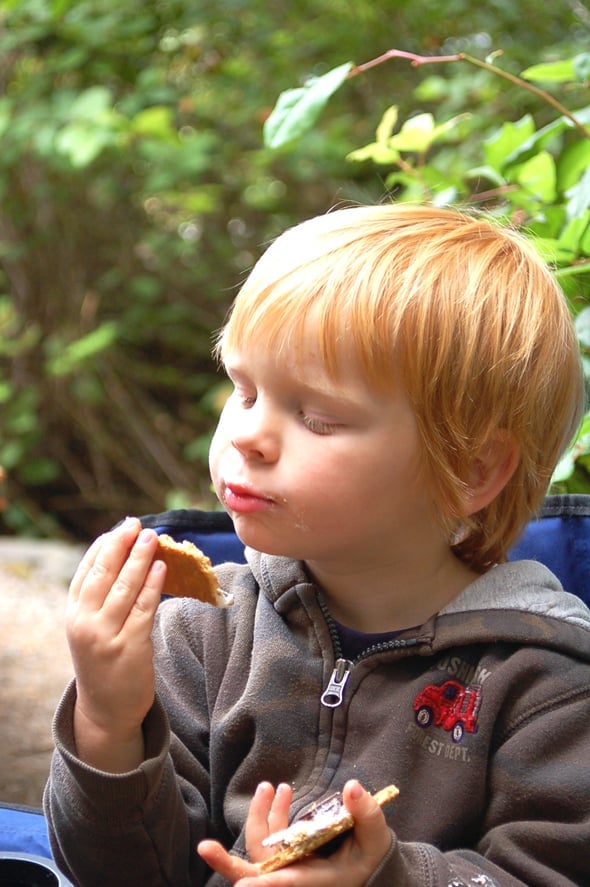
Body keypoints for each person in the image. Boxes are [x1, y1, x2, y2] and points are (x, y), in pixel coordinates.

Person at [44, 204, 590, 887]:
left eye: (316, 416)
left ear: (472, 471)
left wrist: (385, 878)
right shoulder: (199, 635)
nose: (247, 435)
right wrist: (108, 720)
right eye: (242, 390)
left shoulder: (545, 684)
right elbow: (120, 874)